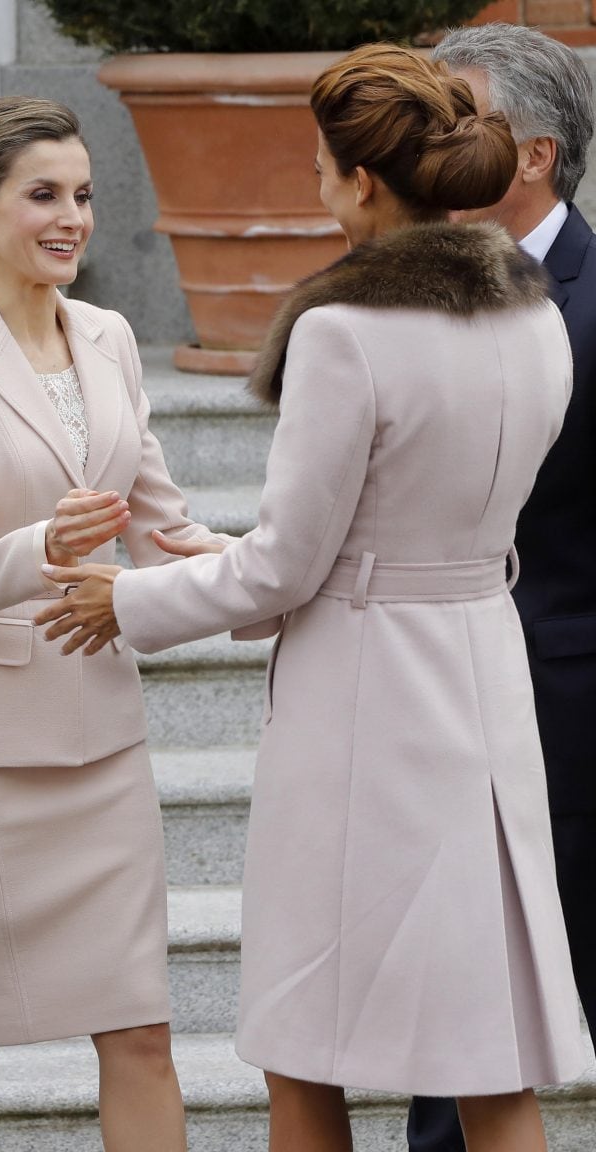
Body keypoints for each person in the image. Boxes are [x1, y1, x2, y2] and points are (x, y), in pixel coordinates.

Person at [35, 43, 586, 1152]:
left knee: (307, 1047)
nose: (318, 186)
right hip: (486, 674)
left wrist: (130, 601)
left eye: (323, 168)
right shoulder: (535, 318)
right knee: (492, 1059)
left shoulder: (343, 331)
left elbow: (289, 565)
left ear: (365, 183)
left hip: (365, 707)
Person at [0, 94, 224, 1152]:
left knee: (144, 1036)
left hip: (102, 744)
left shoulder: (113, 336)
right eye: (44, 195)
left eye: (82, 193)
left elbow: (166, 524)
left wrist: (275, 569)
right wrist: (48, 545)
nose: (72, 216)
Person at [404, 24, 596, 1152]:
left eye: (454, 114)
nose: (428, 143)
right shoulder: (403, 293)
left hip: (571, 719)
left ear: (530, 155)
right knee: (458, 1012)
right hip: (444, 710)